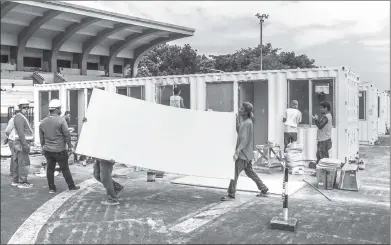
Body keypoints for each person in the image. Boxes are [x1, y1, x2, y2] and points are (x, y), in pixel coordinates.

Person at [221, 102, 269, 201]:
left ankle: (231, 193)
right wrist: (236, 120)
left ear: (246, 112)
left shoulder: (247, 123)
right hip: (247, 154)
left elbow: (244, 140)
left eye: (242, 109)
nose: (239, 110)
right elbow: (240, 132)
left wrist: (237, 152)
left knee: (234, 173)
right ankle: (263, 188)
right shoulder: (247, 122)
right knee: (250, 173)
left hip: (243, 154)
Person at [39, 99, 80, 193]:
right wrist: (70, 147)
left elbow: (41, 137)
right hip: (60, 150)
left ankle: (51, 188)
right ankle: (71, 186)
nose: (61, 110)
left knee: (50, 169)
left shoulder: (43, 122)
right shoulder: (61, 121)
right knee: (65, 168)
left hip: (48, 150)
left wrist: (43, 147)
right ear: (57, 109)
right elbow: (67, 135)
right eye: (60, 108)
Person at [12, 98, 34, 188]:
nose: (27, 109)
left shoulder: (19, 117)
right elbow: (21, 133)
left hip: (19, 143)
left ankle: (16, 180)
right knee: (24, 162)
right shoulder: (19, 117)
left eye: (28, 107)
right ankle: (22, 182)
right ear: (20, 107)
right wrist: (25, 144)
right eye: (25, 107)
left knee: (17, 162)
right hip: (21, 143)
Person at [309, 101, 333, 170]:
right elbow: (321, 125)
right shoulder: (327, 116)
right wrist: (316, 120)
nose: (320, 109)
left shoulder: (326, 117)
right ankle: (320, 173)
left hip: (324, 141)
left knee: (324, 160)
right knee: (320, 158)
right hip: (323, 140)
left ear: (326, 108)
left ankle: (325, 174)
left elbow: (320, 126)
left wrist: (316, 120)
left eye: (322, 108)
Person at [4, 105, 20, 177]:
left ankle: (14, 171)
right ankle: (14, 172)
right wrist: (9, 136)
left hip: (15, 139)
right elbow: (7, 130)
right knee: (15, 156)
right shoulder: (13, 120)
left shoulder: (20, 119)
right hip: (13, 140)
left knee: (15, 156)